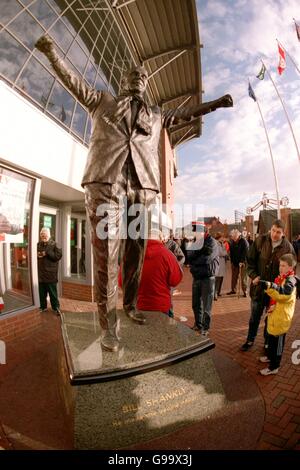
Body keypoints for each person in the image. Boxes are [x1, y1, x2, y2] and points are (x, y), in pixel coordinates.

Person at [35, 34, 233, 352]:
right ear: (124, 81)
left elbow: (186, 113)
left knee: (135, 255)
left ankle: (129, 305)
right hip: (105, 184)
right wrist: (52, 52)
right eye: (134, 75)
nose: (140, 78)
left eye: (143, 76)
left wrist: (216, 104)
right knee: (106, 259)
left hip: (142, 189)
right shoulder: (102, 101)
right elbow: (72, 80)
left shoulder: (154, 116)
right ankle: (109, 328)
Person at [240, 220, 295, 352]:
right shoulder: (260, 240)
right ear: (271, 229)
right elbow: (250, 260)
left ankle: (267, 342)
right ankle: (250, 339)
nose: (275, 234)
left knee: (270, 318)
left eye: (278, 232)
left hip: (275, 291)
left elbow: (292, 268)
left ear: (283, 233)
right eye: (274, 230)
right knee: (254, 317)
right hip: (259, 287)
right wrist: (253, 275)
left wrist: (286, 287)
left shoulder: (288, 247)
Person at [119, 230, 183, 314]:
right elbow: (175, 280)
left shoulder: (131, 255)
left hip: (136, 305)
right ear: (160, 239)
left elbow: (121, 282)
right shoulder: (168, 255)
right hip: (160, 305)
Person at [258, 254, 297, 375]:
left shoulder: (290, 281)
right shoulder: (281, 278)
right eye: (280, 265)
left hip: (282, 317)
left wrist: (269, 287)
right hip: (275, 314)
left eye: (284, 265)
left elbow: (283, 296)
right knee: (271, 339)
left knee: (277, 343)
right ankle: (270, 357)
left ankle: (274, 366)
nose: (281, 268)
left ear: (290, 267)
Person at [188, 225, 219, 336]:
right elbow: (189, 255)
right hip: (196, 276)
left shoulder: (212, 242)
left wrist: (194, 259)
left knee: (207, 305)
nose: (194, 234)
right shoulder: (196, 242)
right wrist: (199, 253)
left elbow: (207, 259)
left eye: (196, 232)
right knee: (195, 304)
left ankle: (205, 328)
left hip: (207, 277)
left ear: (203, 232)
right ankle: (198, 324)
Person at [37, 227, 62, 315]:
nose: (43, 236)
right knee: (42, 293)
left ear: (49, 235)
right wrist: (38, 255)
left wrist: (47, 253)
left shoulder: (55, 244)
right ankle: (43, 307)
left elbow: (58, 256)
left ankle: (56, 308)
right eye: (42, 235)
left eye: (45, 234)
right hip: (40, 274)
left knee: (52, 293)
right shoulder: (38, 244)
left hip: (51, 274)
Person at [227, 229, 249, 296]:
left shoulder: (244, 242)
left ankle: (245, 291)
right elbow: (231, 253)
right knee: (234, 277)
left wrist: (242, 261)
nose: (233, 239)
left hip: (244, 262)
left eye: (234, 237)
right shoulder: (232, 242)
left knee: (243, 278)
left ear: (238, 236)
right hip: (235, 262)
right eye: (232, 237)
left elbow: (245, 253)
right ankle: (233, 290)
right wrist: (232, 262)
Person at [214, 232, 228, 299]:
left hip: (222, 263)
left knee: (221, 279)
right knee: (217, 279)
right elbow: (221, 252)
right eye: (222, 237)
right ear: (219, 237)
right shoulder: (216, 243)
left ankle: (218, 292)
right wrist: (225, 252)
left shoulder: (221, 243)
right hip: (218, 263)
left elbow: (224, 251)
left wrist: (224, 252)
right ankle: (215, 293)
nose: (223, 239)